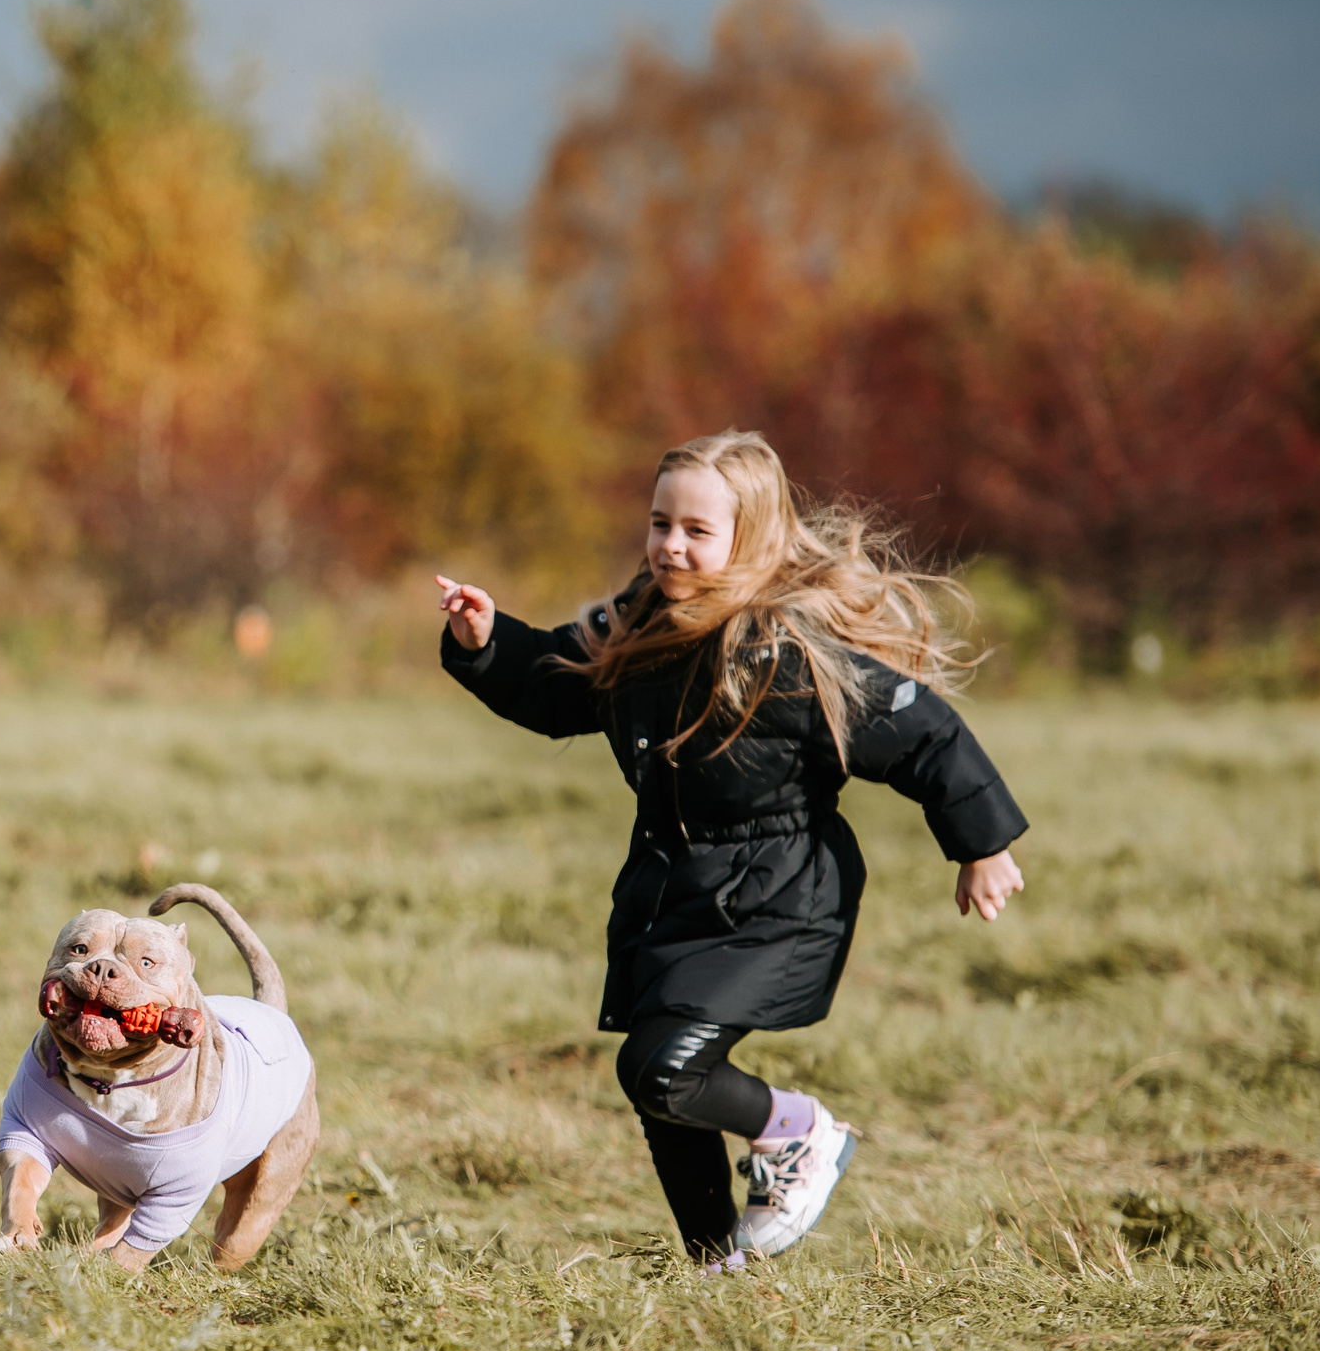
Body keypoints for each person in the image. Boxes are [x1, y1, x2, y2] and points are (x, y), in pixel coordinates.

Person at [436, 431, 1026, 1268]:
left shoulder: (786, 652)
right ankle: (715, 1262)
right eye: (659, 521)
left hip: (778, 899)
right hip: (674, 889)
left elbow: (923, 730)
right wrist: (487, 641)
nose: (670, 544)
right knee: (658, 1085)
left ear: (750, 540)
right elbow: (558, 683)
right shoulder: (638, 625)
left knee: (664, 1068)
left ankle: (802, 1133)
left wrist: (983, 843)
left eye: (697, 530)